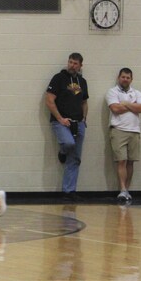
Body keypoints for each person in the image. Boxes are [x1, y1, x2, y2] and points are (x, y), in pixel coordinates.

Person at [45, 53, 89, 201]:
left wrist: (83, 119)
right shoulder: (58, 78)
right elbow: (50, 100)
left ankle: (69, 191)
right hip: (61, 122)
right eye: (70, 62)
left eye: (75, 63)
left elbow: (84, 102)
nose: (72, 65)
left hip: (78, 123)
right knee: (68, 143)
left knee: (75, 158)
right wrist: (60, 118)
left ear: (80, 65)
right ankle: (62, 152)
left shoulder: (82, 81)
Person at [106, 68, 141, 203]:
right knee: (121, 160)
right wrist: (133, 105)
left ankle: (127, 190)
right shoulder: (112, 92)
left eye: (128, 77)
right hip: (118, 130)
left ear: (131, 79)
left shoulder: (137, 93)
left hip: (134, 130)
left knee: (131, 161)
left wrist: (125, 103)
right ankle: (122, 189)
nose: (125, 79)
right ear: (119, 77)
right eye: (123, 77)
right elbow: (115, 109)